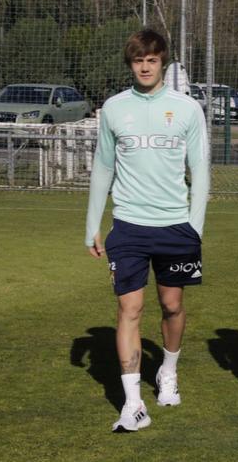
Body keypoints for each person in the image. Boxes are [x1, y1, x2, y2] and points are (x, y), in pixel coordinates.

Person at [84, 28, 209, 433]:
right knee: (129, 309)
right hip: (129, 227)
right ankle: (134, 404)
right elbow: (103, 167)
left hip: (176, 227)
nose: (144, 67)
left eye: (151, 60)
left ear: (162, 63)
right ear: (131, 64)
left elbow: (201, 169)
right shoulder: (114, 108)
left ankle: (168, 371)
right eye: (138, 61)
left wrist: (194, 226)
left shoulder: (187, 109)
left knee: (172, 306)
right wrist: (92, 224)